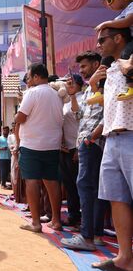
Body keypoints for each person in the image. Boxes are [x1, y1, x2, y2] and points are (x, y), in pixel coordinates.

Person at [89, 29, 133, 271]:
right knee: (117, 199)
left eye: (102, 39)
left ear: (119, 38)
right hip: (112, 138)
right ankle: (125, 258)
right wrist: (95, 83)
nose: (98, 44)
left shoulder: (129, 63)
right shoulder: (110, 70)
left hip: (132, 133)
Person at [61, 51, 108, 251]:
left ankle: (87, 236)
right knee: (93, 189)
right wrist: (72, 95)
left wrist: (92, 137)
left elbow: (110, 113)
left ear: (96, 64)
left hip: (94, 143)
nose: (82, 71)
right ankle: (95, 235)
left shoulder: (108, 84)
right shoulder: (89, 89)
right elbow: (80, 115)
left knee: (87, 188)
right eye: (80, 68)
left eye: (84, 67)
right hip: (88, 143)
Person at [15, 63, 64, 233]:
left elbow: (20, 117)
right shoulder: (57, 94)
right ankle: (56, 221)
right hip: (52, 144)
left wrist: (17, 112)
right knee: (52, 182)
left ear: (36, 77)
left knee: (32, 181)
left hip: (33, 144)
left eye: (29, 77)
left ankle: (35, 223)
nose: (28, 80)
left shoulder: (32, 93)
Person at [94, 0, 133, 101]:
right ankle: (100, 91)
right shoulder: (122, 12)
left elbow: (128, 22)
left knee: (126, 53)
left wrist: (106, 24)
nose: (108, 3)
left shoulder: (132, 6)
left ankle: (130, 86)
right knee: (104, 61)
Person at [58, 74, 83, 228]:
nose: (69, 85)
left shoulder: (82, 99)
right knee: (69, 185)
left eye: (71, 83)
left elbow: (78, 117)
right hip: (66, 149)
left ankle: (80, 217)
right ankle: (73, 216)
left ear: (79, 84)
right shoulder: (66, 102)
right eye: (67, 83)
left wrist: (78, 149)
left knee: (79, 185)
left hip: (77, 148)